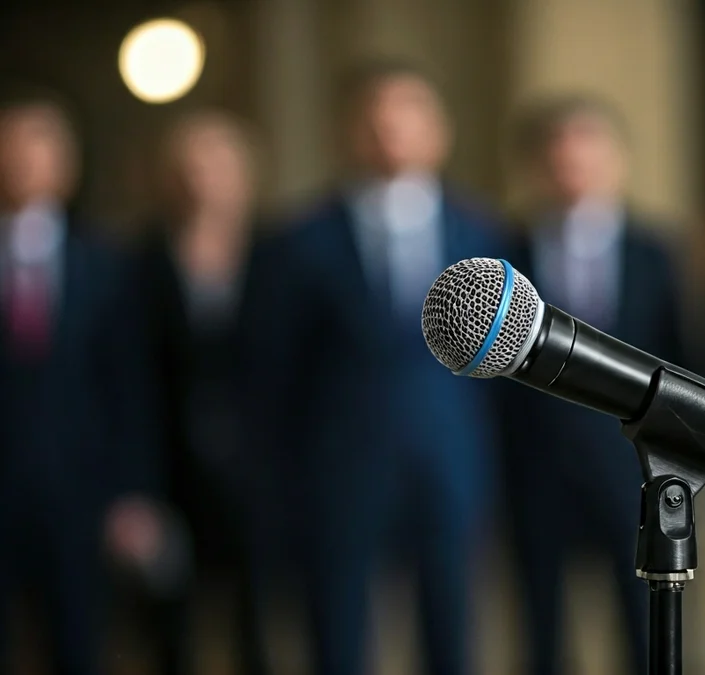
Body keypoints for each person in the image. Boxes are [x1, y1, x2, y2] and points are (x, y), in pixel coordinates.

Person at [242, 61, 506, 675]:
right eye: (375, 119)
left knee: (452, 627)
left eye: (407, 116)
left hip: (450, 461)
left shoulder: (484, 234)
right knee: (336, 630)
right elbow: (270, 378)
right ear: (346, 133)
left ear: (440, 131)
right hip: (338, 467)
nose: (390, 132)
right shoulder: (298, 243)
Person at [500, 94, 684, 675]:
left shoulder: (655, 254)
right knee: (541, 631)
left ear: (617, 161)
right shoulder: (506, 253)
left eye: (588, 152)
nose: (573, 167)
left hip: (632, 471)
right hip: (535, 472)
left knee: (643, 624)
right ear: (536, 167)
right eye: (559, 156)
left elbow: (683, 361)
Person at [0, 90, 158, 674]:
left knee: (79, 642)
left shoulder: (108, 266)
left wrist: (133, 492)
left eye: (39, 146)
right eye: (10, 146)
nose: (23, 160)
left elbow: (131, 387)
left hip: (80, 494)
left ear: (68, 164)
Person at [135, 110, 268, 675]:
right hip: (171, 468)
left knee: (258, 628)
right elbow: (132, 382)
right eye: (190, 167)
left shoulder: (277, 257)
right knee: (172, 627)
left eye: (217, 165)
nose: (203, 180)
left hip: (259, 473)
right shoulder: (143, 263)